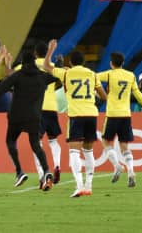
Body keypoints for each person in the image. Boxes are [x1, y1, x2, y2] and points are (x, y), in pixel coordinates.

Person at [0, 48, 60, 190]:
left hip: (16, 116)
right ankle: (47, 170)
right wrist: (58, 64)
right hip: (34, 116)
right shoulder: (42, 77)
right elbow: (56, 76)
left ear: (23, 62)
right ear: (35, 62)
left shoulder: (18, 75)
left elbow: (1, 89)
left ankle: (19, 171)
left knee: (11, 141)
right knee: (35, 145)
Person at [42, 41, 107, 197]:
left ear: (70, 62)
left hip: (76, 115)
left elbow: (46, 67)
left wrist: (50, 50)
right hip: (91, 114)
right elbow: (103, 96)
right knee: (89, 151)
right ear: (84, 62)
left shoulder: (66, 73)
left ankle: (78, 186)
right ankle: (88, 186)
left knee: (74, 151)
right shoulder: (92, 74)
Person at [97, 52, 142, 187]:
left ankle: (117, 165)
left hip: (112, 114)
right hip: (126, 115)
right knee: (124, 146)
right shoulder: (130, 75)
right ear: (123, 63)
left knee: (105, 141)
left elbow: (92, 77)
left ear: (111, 63)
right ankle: (131, 171)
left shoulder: (109, 74)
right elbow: (138, 94)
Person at [32, 42, 65, 182]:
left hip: (37, 108)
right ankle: (57, 165)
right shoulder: (51, 65)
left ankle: (42, 174)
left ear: (35, 53)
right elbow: (60, 80)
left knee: (36, 141)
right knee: (53, 140)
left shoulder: (29, 65)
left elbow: (11, 74)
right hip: (51, 107)